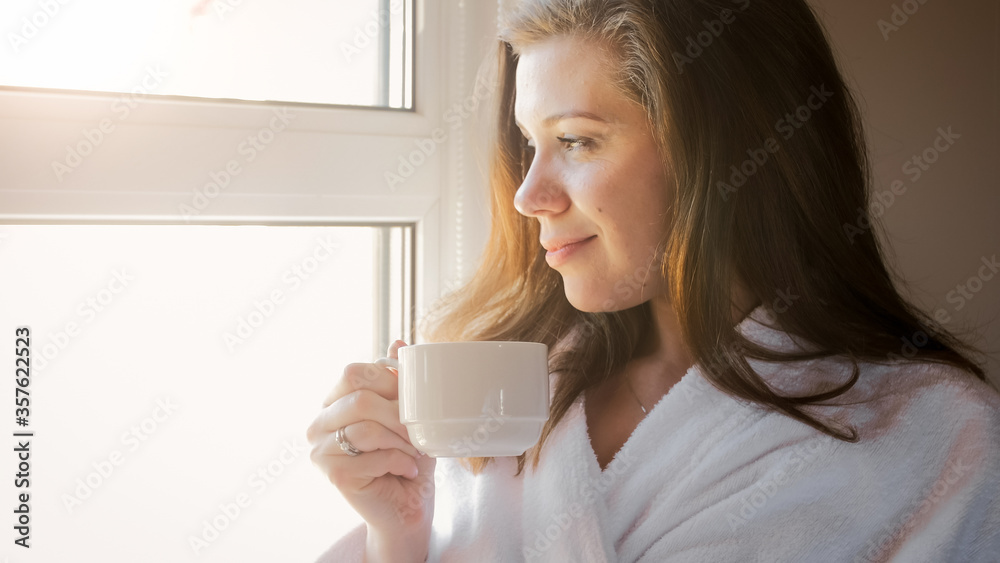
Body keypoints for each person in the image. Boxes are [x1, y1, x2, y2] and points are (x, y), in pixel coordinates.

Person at [307, 0, 1000, 561]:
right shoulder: (500, 400)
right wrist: (397, 534)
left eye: (576, 140)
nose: (528, 194)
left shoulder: (935, 435)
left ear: (728, 151)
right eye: (528, 143)